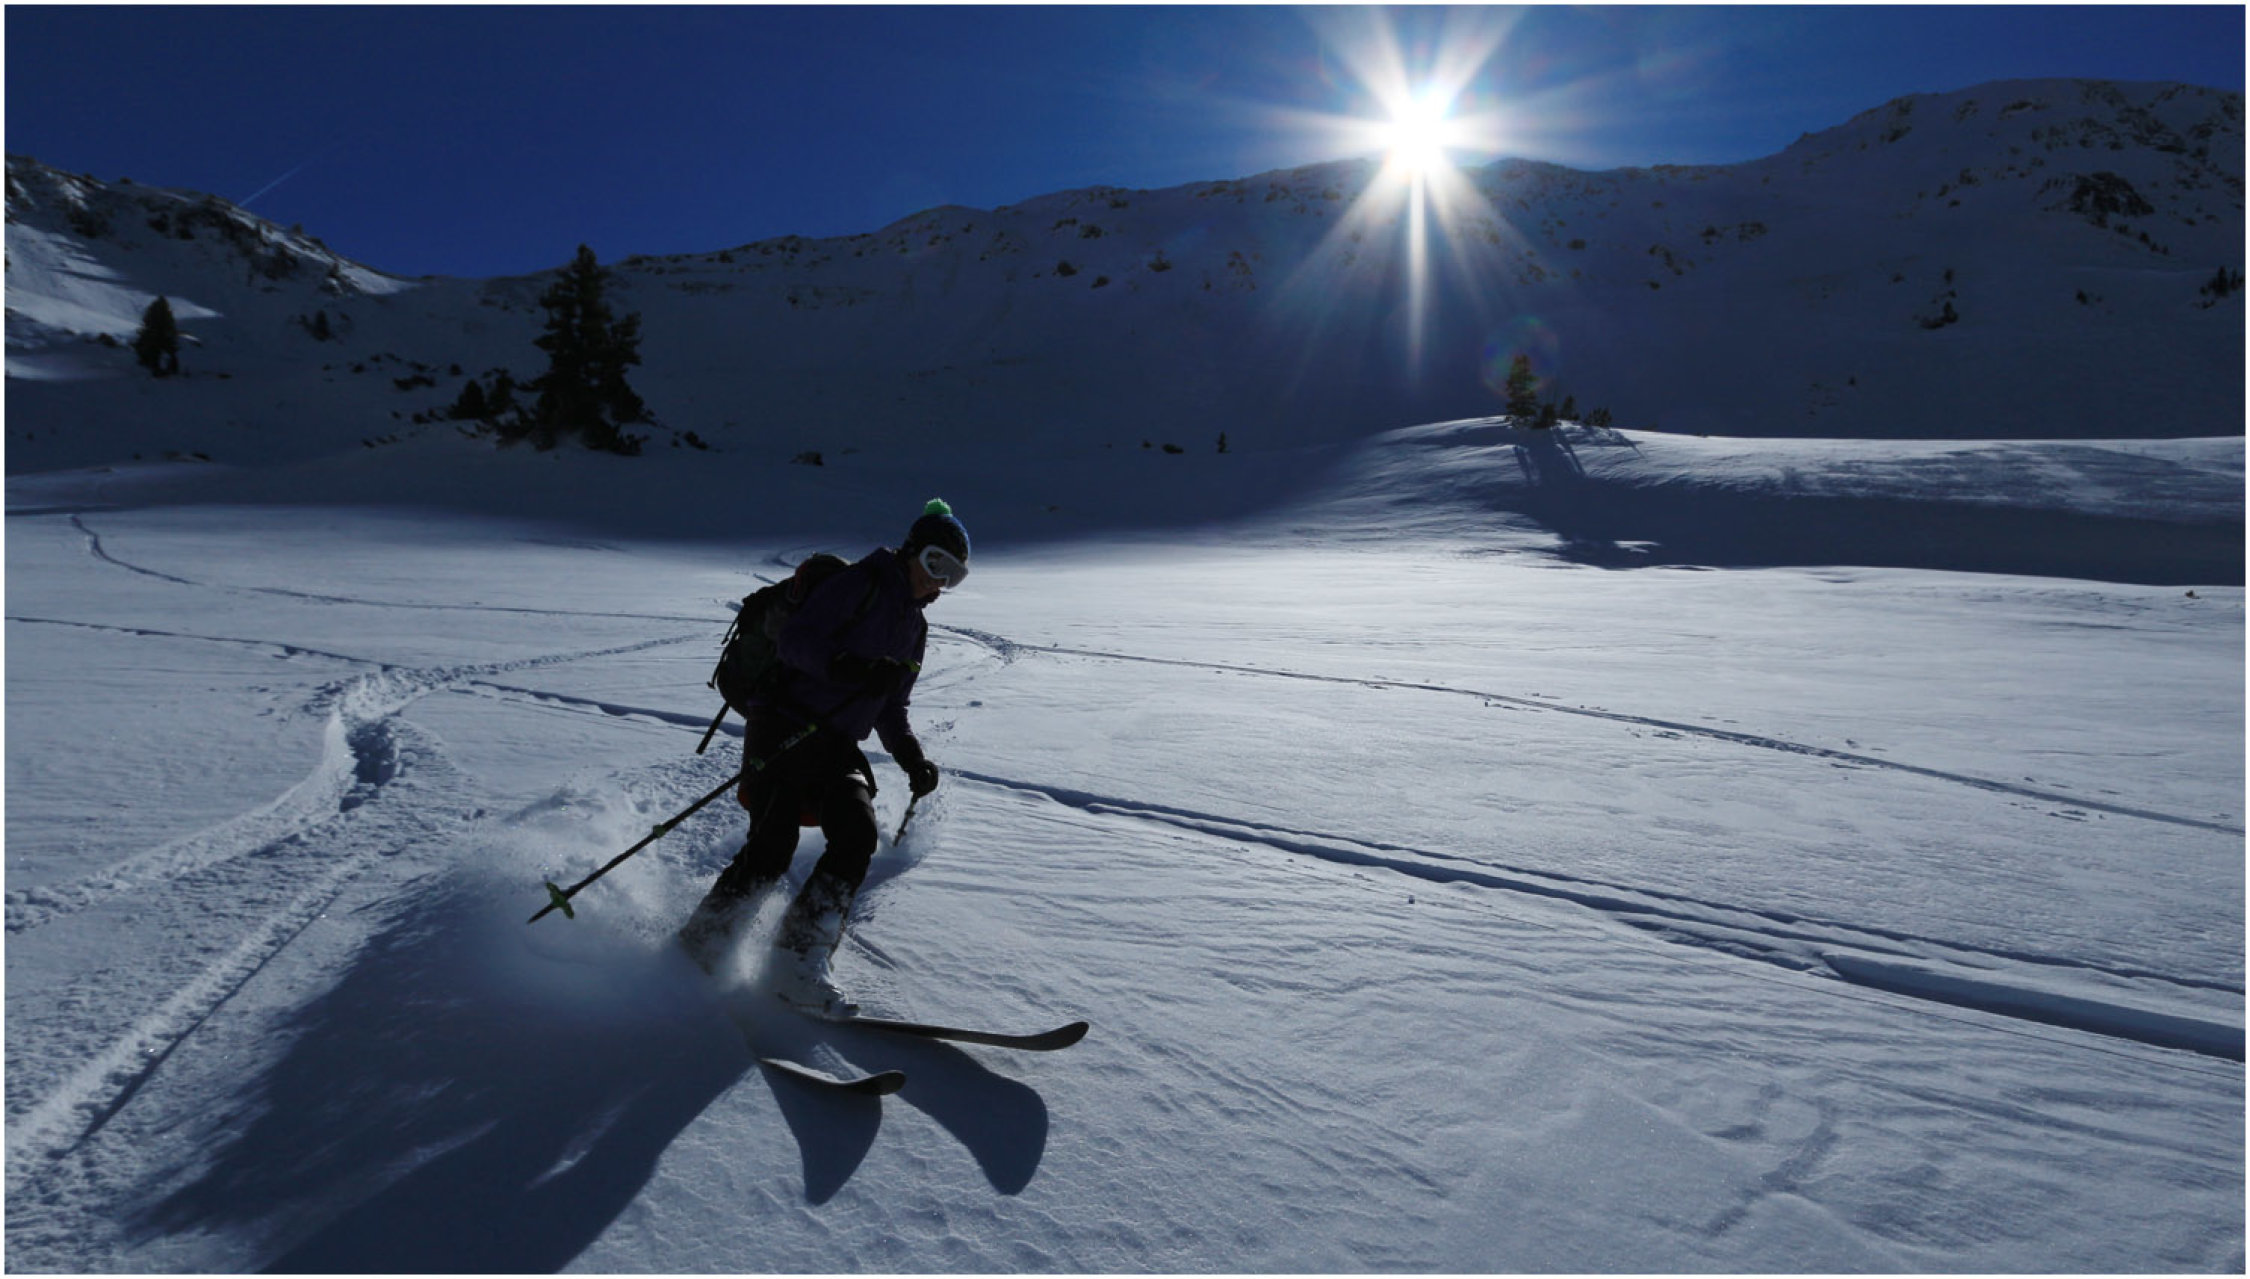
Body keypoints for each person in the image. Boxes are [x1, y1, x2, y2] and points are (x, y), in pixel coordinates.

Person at [679, 499, 970, 1008]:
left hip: (836, 744)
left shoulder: (914, 627)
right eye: (935, 563)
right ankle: (699, 950)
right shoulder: (859, 585)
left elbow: (892, 707)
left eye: (954, 575)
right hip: (782, 725)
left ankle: (797, 962)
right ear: (911, 552)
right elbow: (795, 641)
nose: (939, 581)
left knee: (857, 835)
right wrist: (852, 668)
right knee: (771, 851)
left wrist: (911, 758)